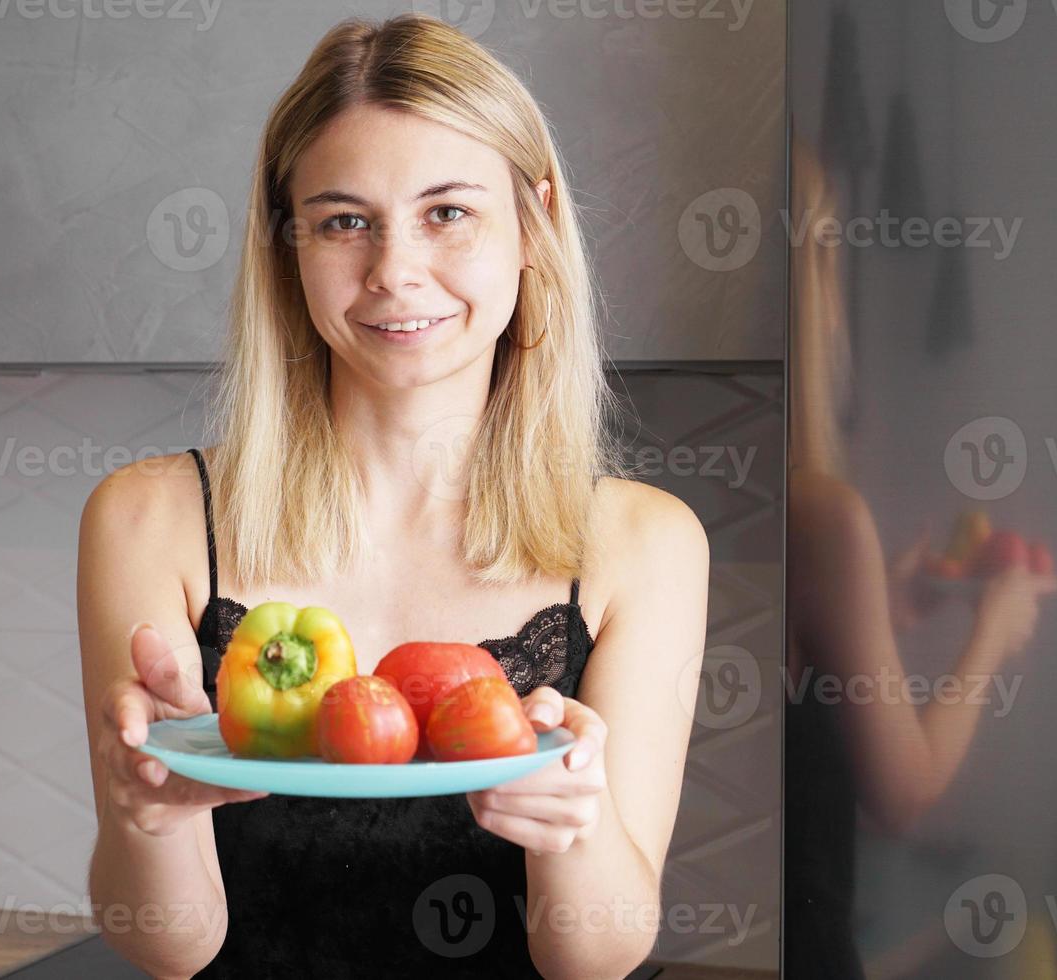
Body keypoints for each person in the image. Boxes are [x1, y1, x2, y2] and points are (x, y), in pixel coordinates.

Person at [75, 13, 710, 978]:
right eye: (343, 222)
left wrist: (571, 830)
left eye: (447, 212)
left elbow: (596, 960)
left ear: (532, 223)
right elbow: (168, 947)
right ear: (289, 245)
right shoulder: (146, 522)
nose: (394, 271)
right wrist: (152, 812)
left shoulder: (643, 544)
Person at [783, 128, 1057, 979]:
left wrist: (887, 610)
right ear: (809, 279)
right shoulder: (822, 512)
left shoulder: (776, 502)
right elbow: (904, 794)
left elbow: (799, 705)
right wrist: (994, 632)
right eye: (828, 247)